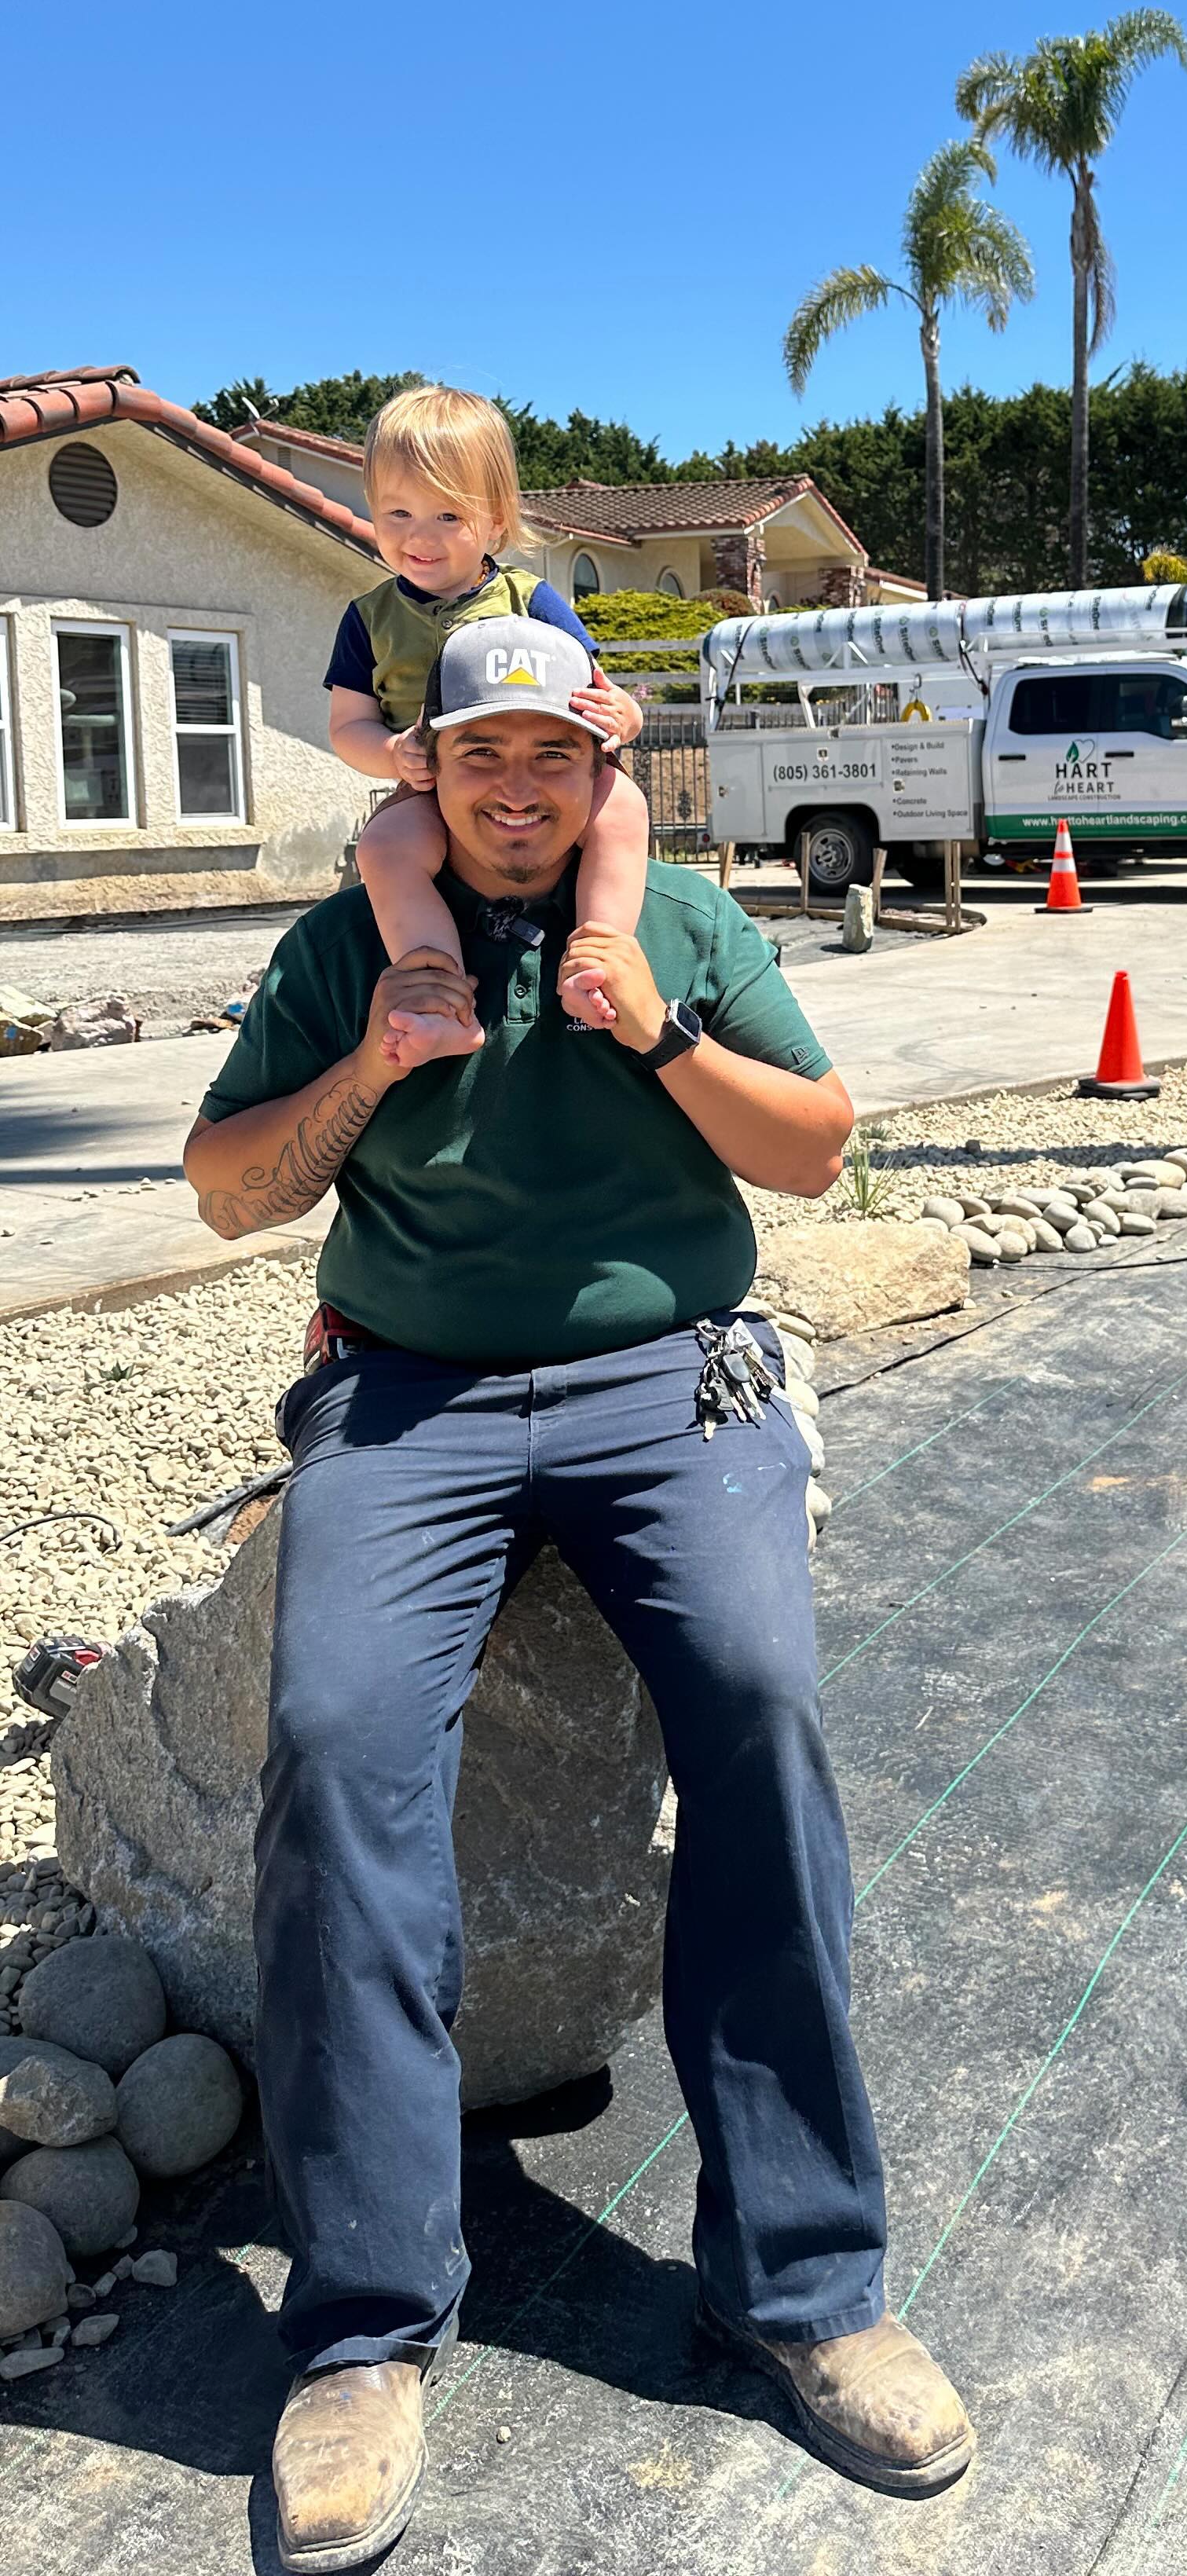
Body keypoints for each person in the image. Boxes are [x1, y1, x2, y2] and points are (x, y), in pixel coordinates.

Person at [184, 614, 974, 2574]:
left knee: (764, 1713)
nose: (516, 791)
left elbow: (815, 1156)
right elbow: (228, 1191)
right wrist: (375, 1052)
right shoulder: (352, 944)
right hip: (407, 1390)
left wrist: (659, 1032)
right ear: (430, 776)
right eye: (481, 761)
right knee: (336, 1735)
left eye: (551, 757)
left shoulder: (683, 922)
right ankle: (366, 2327)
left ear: (596, 764)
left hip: (664, 1382)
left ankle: (805, 2281)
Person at [326, 383, 650, 1053]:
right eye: (398, 513)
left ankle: (599, 960)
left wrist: (627, 715)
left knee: (622, 811)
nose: (419, 537)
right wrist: (391, 754)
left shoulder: (530, 599)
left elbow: (602, 695)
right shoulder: (368, 619)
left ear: (497, 521)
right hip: (428, 785)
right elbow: (347, 726)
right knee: (384, 849)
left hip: (541, 772)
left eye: (448, 516)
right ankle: (437, 995)